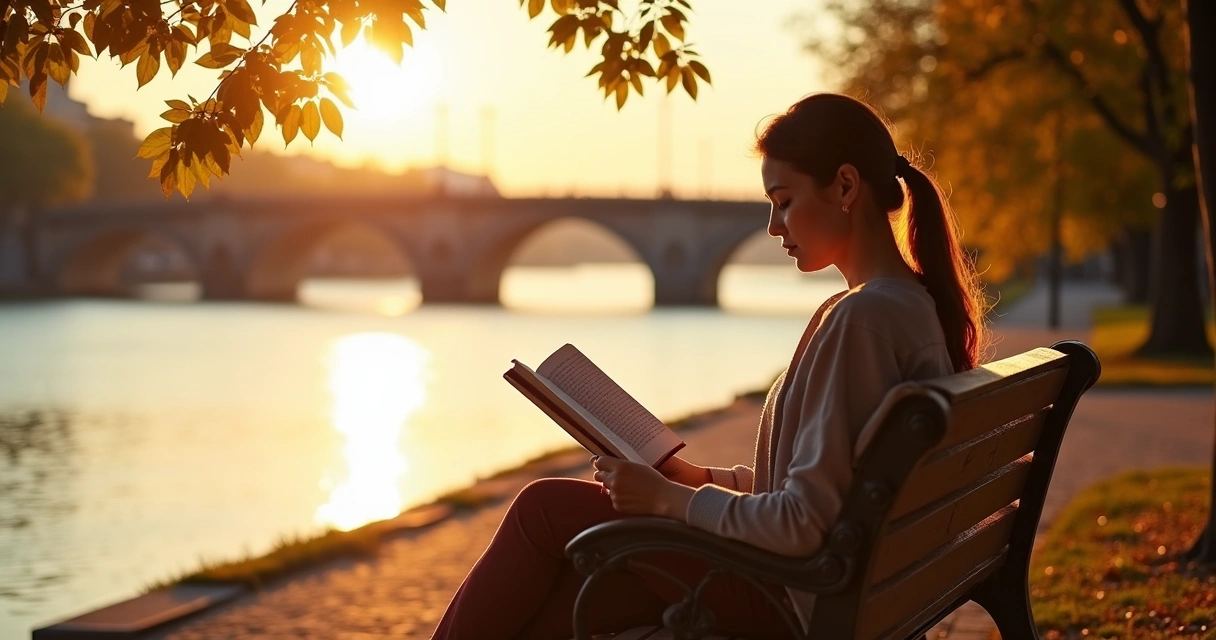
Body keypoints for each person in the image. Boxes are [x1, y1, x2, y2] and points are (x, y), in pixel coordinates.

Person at [431, 93, 988, 640]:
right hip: (841, 590)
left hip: (795, 600)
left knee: (543, 507)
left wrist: (667, 500)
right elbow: (826, 488)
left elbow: (800, 523)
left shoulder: (862, 321)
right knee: (561, 605)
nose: (773, 225)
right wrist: (701, 480)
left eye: (784, 200)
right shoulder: (905, 305)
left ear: (845, 186)